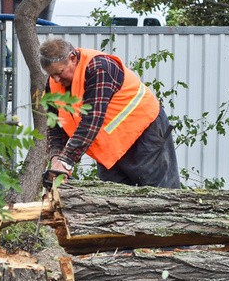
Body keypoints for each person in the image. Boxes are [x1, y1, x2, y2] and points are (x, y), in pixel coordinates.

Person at [39, 37, 180, 189]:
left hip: (145, 134)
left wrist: (66, 162)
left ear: (72, 58)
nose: (56, 79)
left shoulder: (99, 68)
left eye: (59, 72)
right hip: (110, 148)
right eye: (51, 74)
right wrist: (56, 159)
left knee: (160, 194)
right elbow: (56, 128)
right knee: (115, 199)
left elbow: (92, 119)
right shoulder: (52, 84)